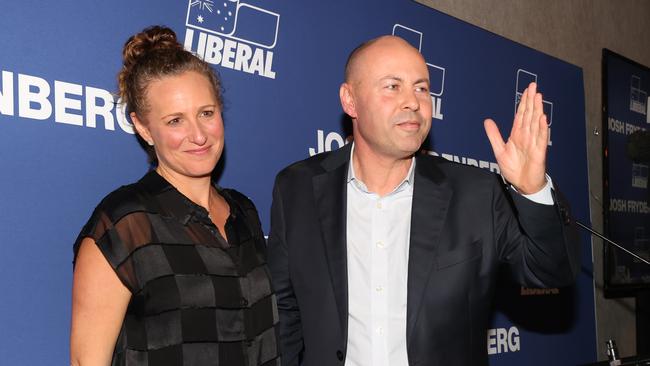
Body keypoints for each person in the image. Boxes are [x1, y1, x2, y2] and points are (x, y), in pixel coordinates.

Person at [267, 35, 580, 366]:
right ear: (350, 100)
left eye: (421, 88)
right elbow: (283, 313)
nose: (413, 102)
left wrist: (532, 189)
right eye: (393, 86)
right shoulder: (296, 189)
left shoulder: (476, 193)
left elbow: (551, 272)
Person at [70, 26, 280, 366]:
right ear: (143, 128)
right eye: (175, 121)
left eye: (206, 113)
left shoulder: (243, 211)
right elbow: (86, 361)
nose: (198, 135)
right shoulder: (123, 224)